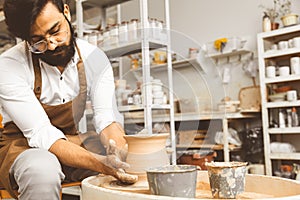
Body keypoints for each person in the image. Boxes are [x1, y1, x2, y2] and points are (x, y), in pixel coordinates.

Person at [0, 0, 138, 199]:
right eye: (37, 41)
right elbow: (42, 134)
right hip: (25, 147)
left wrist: (116, 148)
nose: (51, 45)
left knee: (132, 162)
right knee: (42, 169)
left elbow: (106, 119)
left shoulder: (94, 58)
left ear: (66, 12)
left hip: (71, 142)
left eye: (56, 31)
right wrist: (102, 164)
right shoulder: (9, 65)